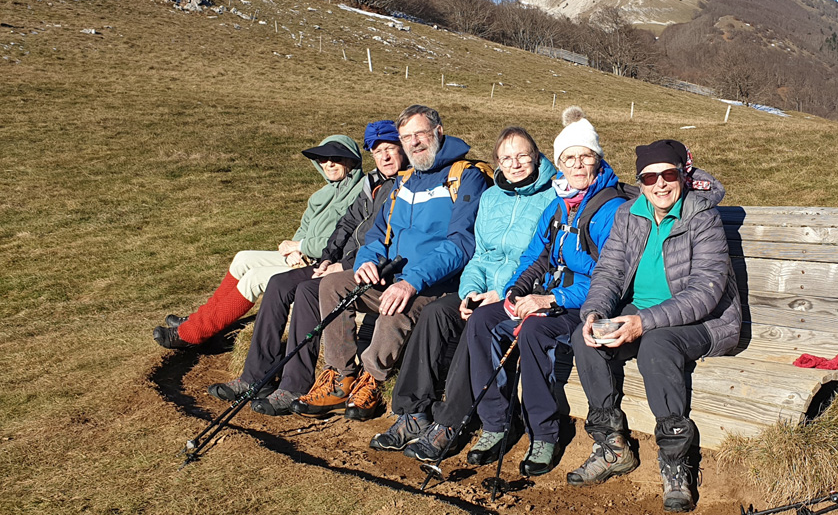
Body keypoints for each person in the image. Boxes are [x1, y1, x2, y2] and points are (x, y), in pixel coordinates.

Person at [259, 105, 489, 418]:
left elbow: (461, 244)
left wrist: (411, 282)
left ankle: (372, 378)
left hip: (436, 283)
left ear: (438, 132)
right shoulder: (405, 181)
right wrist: (366, 261)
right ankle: (340, 376)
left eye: (420, 134)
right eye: (406, 137)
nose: (414, 142)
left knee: (396, 306)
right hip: (392, 274)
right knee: (332, 285)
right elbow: (377, 233)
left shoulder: (466, 177)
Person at [567, 139, 740, 513]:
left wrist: (642, 323)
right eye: (649, 177)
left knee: (657, 345)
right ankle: (611, 445)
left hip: (703, 321)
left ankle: (676, 462)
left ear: (682, 176)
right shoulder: (628, 214)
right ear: (640, 182)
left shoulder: (701, 216)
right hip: (641, 313)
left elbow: (705, 292)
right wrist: (594, 312)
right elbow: (609, 272)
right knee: (586, 338)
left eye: (668, 174)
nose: (660, 184)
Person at [368, 126, 558, 460]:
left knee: (478, 325)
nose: (515, 164)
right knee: (435, 314)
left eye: (522, 156)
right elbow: (480, 255)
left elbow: (541, 260)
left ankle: (450, 422)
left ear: (536, 156)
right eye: (506, 158)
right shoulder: (493, 197)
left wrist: (502, 292)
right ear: (498, 162)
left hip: (520, 291)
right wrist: (470, 290)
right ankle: (412, 411)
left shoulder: (552, 198)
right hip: (482, 286)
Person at [461, 106, 627, 477]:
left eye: (586, 156)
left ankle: (545, 433)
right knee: (483, 321)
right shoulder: (556, 206)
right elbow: (535, 258)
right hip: (546, 297)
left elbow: (608, 276)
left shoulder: (612, 209)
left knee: (535, 330)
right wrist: (514, 291)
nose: (577, 165)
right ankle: (496, 424)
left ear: (598, 159)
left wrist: (551, 300)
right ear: (559, 163)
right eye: (569, 158)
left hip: (583, 305)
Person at [204, 120, 406, 412]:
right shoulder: (372, 182)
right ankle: (255, 376)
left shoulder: (406, 187)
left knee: (308, 291)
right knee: (279, 284)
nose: (384, 157)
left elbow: (390, 240)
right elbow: (347, 223)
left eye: (390, 149)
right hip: (340, 263)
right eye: (377, 151)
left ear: (402, 148)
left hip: (370, 268)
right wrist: (327, 258)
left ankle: (293, 386)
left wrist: (343, 264)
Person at [152, 135, 365, 349]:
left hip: (325, 265)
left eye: (336, 158)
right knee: (242, 259)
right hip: (302, 258)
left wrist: (299, 246)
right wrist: (293, 250)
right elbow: (304, 227)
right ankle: (201, 319)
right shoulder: (322, 194)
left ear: (352, 161)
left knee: (254, 278)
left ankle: (193, 334)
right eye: (323, 158)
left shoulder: (360, 194)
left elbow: (340, 241)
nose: (329, 164)